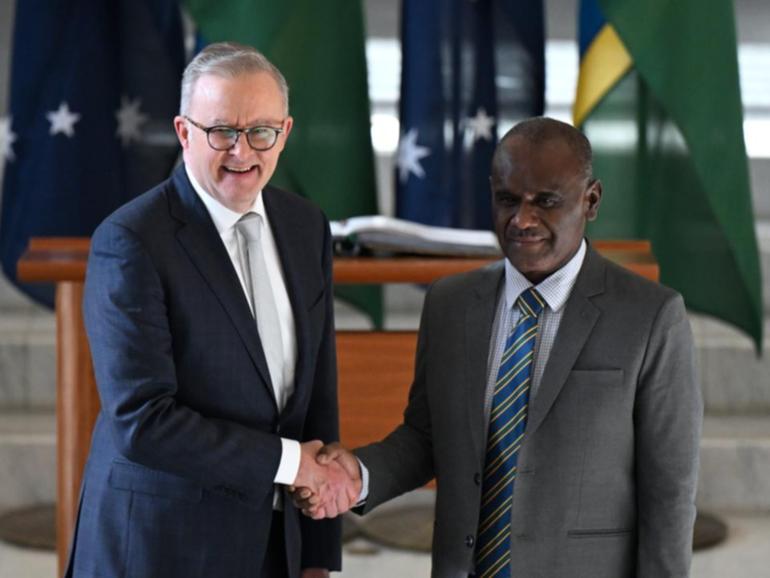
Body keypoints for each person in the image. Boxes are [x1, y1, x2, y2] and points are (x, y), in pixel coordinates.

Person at [294, 117, 703, 577]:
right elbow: (427, 437)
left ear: (591, 200)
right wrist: (359, 475)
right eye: (507, 199)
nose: (522, 220)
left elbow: (669, 491)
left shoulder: (650, 316)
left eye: (546, 202)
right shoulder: (449, 304)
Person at [67, 42, 359, 578]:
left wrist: (317, 554)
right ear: (184, 132)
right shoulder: (131, 240)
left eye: (261, 133)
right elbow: (142, 420)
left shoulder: (305, 226)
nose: (242, 152)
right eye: (221, 131)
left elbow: (318, 394)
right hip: (161, 547)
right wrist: (293, 464)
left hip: (276, 548)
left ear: (285, 133)